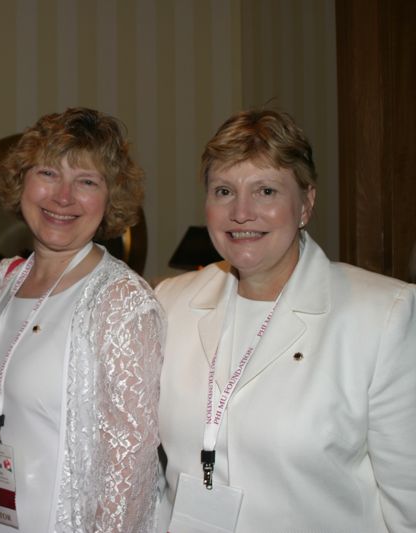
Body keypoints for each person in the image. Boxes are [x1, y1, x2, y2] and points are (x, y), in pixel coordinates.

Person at [156, 108, 416, 532]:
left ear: (306, 204)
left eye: (266, 191)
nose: (241, 212)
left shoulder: (383, 316)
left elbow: (410, 501)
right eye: (224, 191)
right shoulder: (169, 303)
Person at [0, 107, 165, 532]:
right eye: (49, 174)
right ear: (22, 181)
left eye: (87, 181)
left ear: (110, 198)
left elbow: (131, 466)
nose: (63, 197)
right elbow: (32, 387)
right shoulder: (10, 280)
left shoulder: (121, 299)